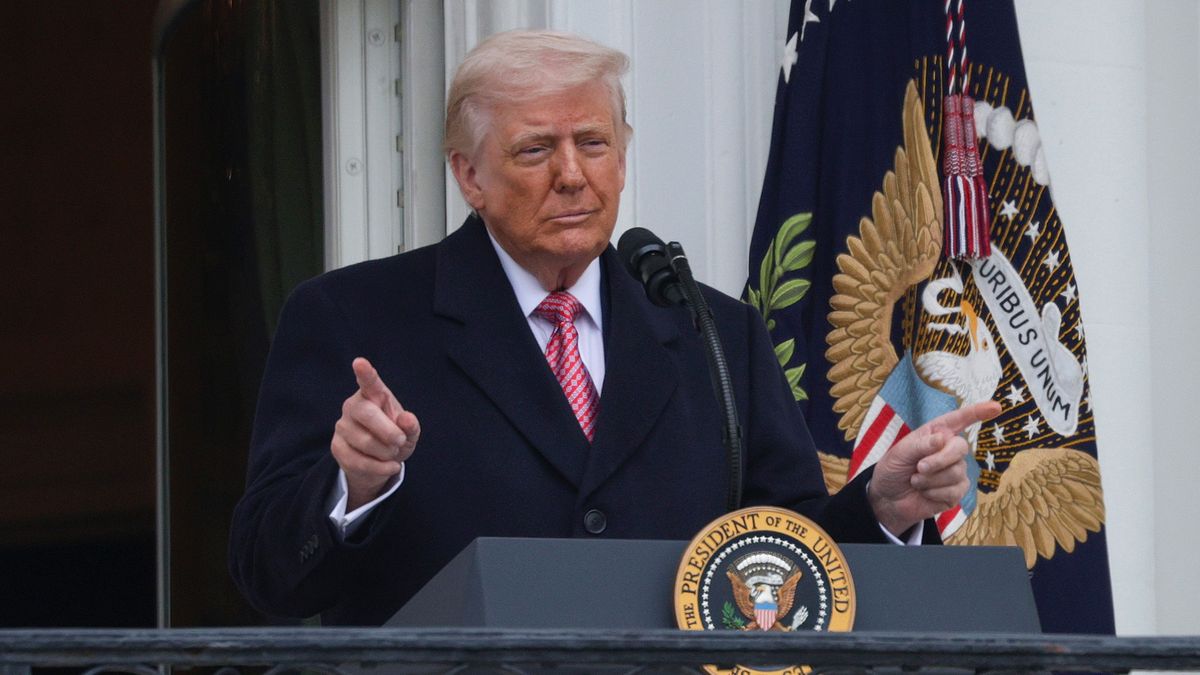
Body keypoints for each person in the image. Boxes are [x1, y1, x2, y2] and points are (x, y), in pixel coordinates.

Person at [228, 30, 999, 626]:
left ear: (623, 157)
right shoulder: (352, 318)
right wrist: (354, 487)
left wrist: (882, 507)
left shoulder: (714, 333)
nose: (573, 173)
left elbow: (781, 547)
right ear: (469, 175)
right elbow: (267, 571)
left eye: (593, 143)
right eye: (536, 149)